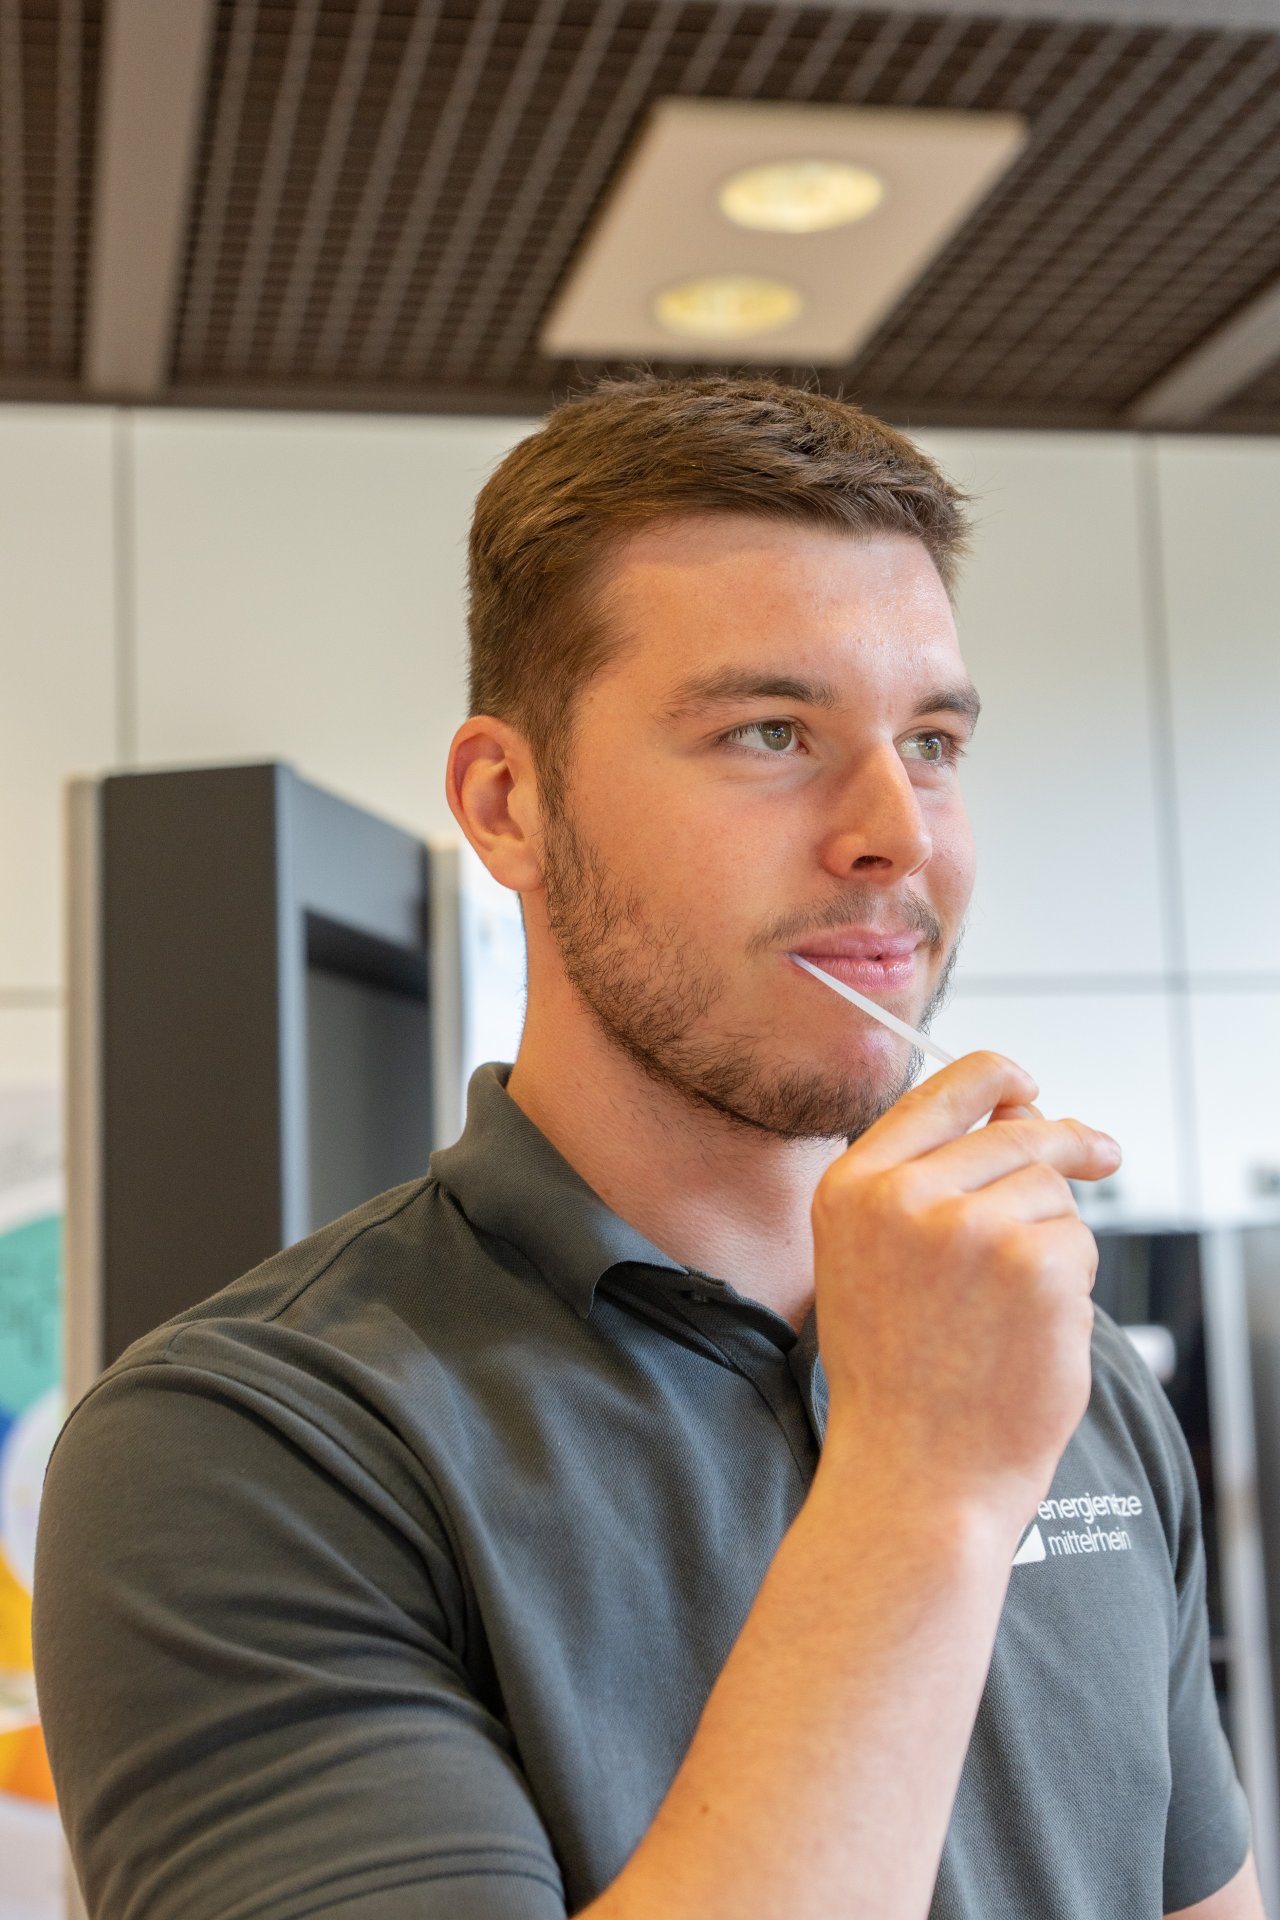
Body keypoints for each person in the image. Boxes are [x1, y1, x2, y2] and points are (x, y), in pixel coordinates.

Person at [32, 373, 1262, 1920]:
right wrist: (923, 1488)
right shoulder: (247, 1450)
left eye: (934, 740)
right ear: (507, 802)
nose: (897, 832)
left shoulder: (1060, 1359)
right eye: (770, 730)